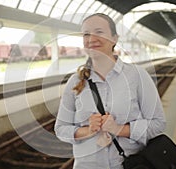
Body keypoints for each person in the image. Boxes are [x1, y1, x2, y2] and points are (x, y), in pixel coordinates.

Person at [54, 13, 166, 169]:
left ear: (115, 38)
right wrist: (88, 130)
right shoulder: (75, 82)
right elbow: (60, 129)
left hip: (127, 165)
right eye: (86, 34)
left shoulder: (137, 76)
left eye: (99, 32)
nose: (92, 39)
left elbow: (158, 124)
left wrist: (119, 129)